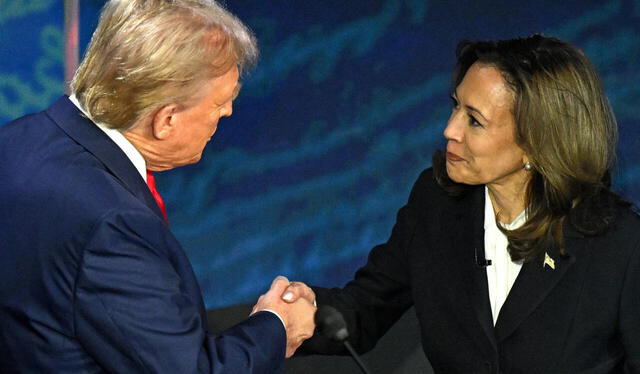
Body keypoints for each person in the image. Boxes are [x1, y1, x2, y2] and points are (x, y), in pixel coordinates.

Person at [282, 34, 640, 373]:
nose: (450, 130)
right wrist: (304, 313)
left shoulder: (619, 244)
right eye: (456, 106)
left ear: (537, 140)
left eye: (474, 120)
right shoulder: (437, 202)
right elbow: (367, 307)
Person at [0, 1, 315, 373]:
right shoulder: (113, 223)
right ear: (166, 119)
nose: (227, 113)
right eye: (221, 102)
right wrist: (277, 325)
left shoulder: (16, 139)